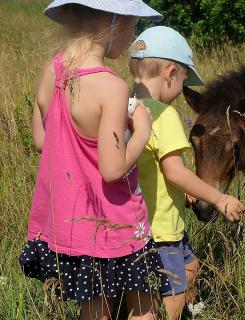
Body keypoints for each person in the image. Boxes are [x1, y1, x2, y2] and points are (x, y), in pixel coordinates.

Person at [20, 1, 170, 319]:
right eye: (132, 25)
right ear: (114, 22)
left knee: (95, 307)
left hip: (72, 222)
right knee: (143, 306)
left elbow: (40, 141)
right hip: (117, 221)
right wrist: (142, 130)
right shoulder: (111, 86)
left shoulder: (52, 70)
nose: (133, 36)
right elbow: (112, 168)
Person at [128, 26, 245, 319]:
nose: (183, 90)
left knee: (189, 269)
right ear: (169, 73)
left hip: (136, 226)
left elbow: (149, 168)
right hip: (163, 230)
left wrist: (185, 190)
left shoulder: (125, 109)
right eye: (183, 80)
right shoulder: (164, 116)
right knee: (173, 294)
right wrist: (219, 199)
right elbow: (174, 171)